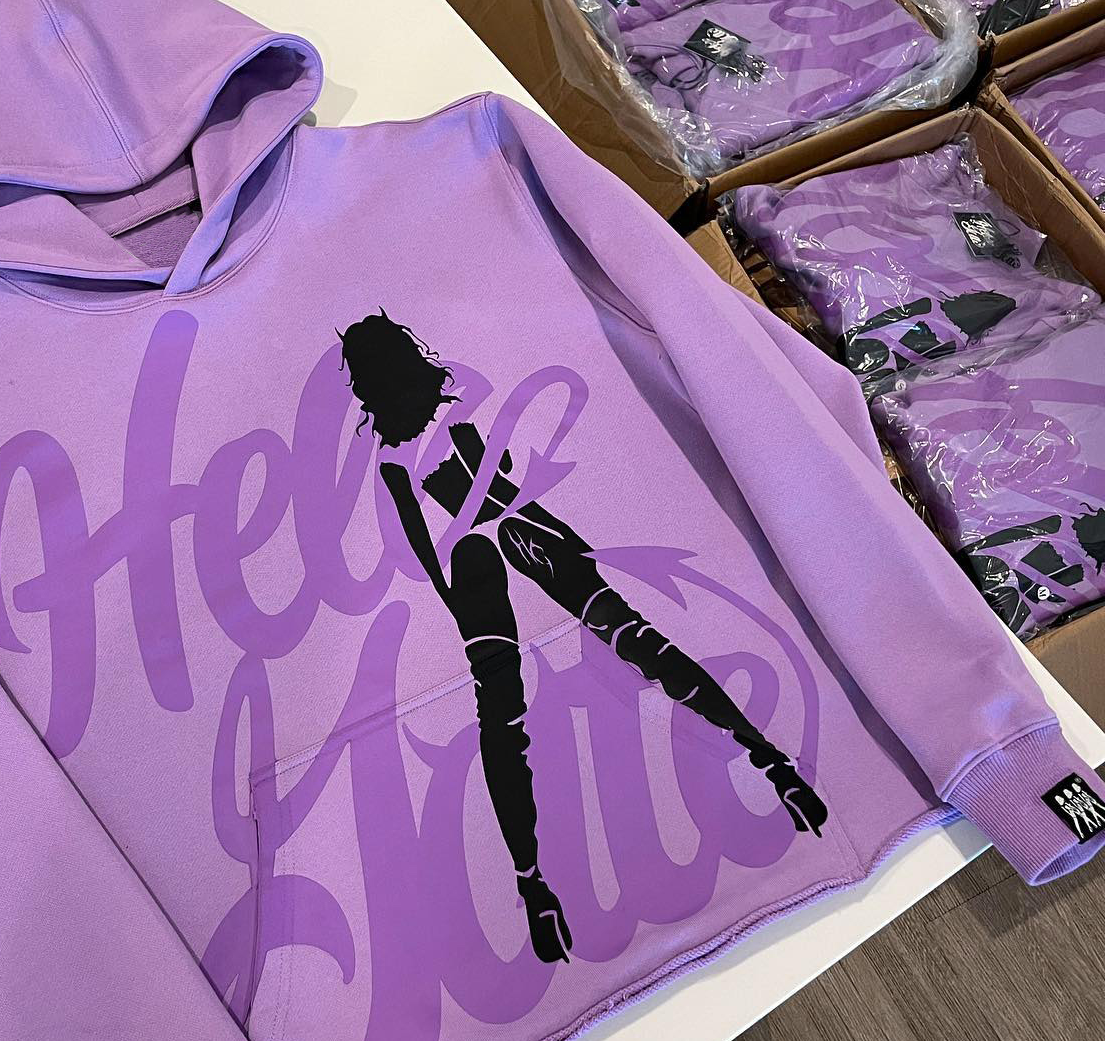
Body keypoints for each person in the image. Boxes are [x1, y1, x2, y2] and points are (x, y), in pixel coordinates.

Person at [341, 311, 828, 964]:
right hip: (521, 533)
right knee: (642, 646)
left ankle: (531, 884)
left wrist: (459, 603)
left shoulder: (395, 457)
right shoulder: (453, 412)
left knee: (503, 716)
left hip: (473, 560)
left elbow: (426, 547)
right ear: (408, 353)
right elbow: (499, 483)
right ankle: (771, 762)